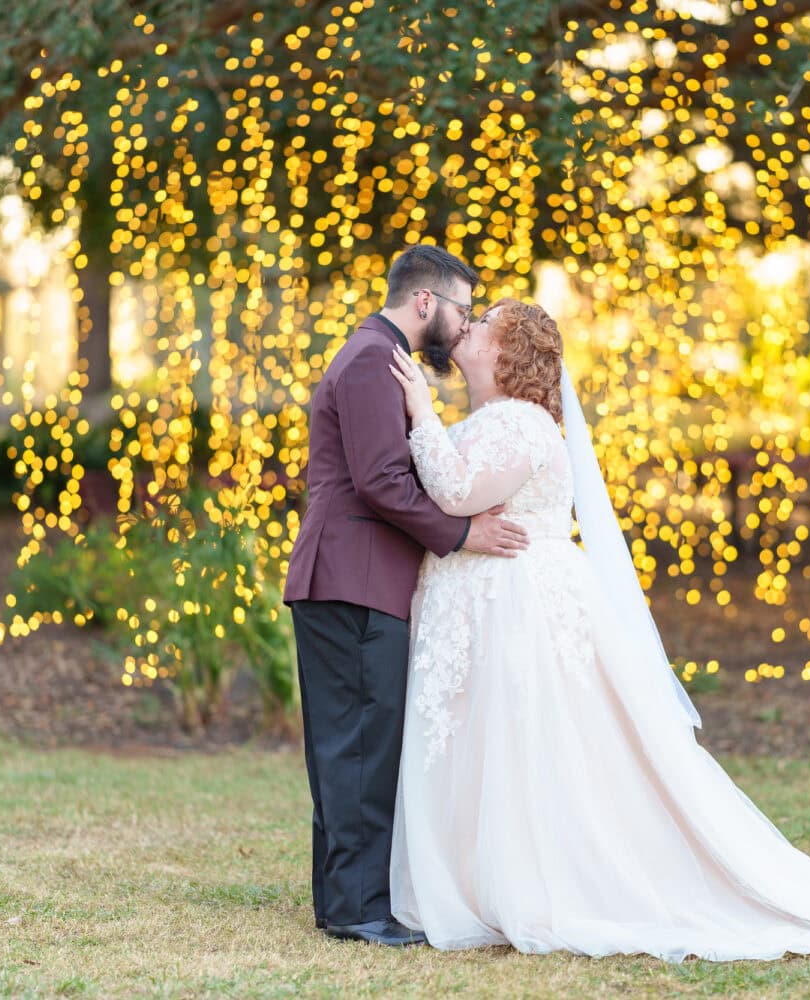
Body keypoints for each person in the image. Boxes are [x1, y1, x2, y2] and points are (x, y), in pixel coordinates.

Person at [384, 298, 810, 961]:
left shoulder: (521, 425)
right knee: (486, 742)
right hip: (484, 612)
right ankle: (473, 876)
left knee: (525, 745)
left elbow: (457, 494)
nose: (467, 328)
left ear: (509, 351)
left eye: (484, 323)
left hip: (521, 611)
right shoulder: (490, 420)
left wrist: (422, 415)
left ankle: (522, 881)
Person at [282, 245, 529, 948]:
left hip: (352, 577)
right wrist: (461, 533)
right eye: (463, 308)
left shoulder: (381, 357)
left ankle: (344, 902)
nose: (465, 323)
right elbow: (381, 483)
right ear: (426, 302)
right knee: (360, 742)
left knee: (349, 741)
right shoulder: (371, 360)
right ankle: (358, 909)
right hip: (352, 577)